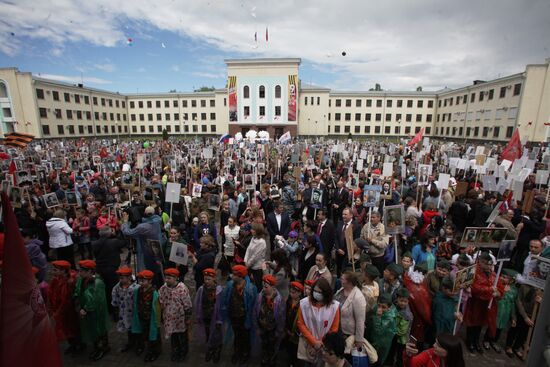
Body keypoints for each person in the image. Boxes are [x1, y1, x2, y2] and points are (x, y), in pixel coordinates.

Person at [464, 252, 503, 354]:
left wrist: (498, 293)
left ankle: (476, 341)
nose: (489, 266)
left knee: (481, 323)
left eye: (490, 264)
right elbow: (473, 287)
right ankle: (470, 341)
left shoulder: (493, 274)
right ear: (480, 262)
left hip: (487, 304)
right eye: (486, 264)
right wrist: (489, 289)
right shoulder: (472, 271)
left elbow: (500, 287)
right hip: (475, 303)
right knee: (472, 322)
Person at [296, 278, 340, 365]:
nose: (317, 294)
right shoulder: (304, 304)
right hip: (308, 345)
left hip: (325, 347)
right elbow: (301, 323)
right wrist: (313, 342)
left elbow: (334, 329)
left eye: (320, 292)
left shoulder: (334, 307)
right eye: (315, 291)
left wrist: (320, 344)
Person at [73, 260, 110, 361]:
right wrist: (77, 301)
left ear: (90, 271)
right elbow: (77, 290)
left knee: (99, 329)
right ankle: (97, 347)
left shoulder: (97, 283)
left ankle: (103, 348)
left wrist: (85, 308)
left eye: (82, 271)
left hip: (97, 312)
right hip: (87, 311)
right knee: (92, 329)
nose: (79, 273)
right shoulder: (81, 279)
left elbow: (96, 299)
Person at [221, 265, 258, 365]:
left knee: (245, 336)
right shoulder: (230, 285)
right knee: (237, 335)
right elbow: (225, 300)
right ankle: (237, 352)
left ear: (240, 276)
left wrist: (250, 319)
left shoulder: (251, 289)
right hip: (234, 316)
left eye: (234, 274)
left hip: (244, 317)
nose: (232, 276)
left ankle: (245, 354)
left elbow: (254, 306)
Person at [47, 260, 83, 356]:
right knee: (66, 328)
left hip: (69, 311)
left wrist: (58, 311)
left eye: (56, 270)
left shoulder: (69, 282)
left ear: (63, 271)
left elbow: (66, 300)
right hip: (61, 309)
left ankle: (79, 346)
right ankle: (72, 345)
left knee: (73, 328)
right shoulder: (57, 279)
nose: (53, 272)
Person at [121, 207, 164, 283]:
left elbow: (128, 232)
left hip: (148, 253)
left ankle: (152, 285)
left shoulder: (143, 227)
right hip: (158, 250)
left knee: (150, 272)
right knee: (158, 271)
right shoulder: (157, 221)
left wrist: (125, 222)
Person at [159, 267, 193, 362]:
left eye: (169, 278)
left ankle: (183, 352)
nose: (166, 280)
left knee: (182, 336)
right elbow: (161, 300)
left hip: (180, 319)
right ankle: (175, 351)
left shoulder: (182, 288)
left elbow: (187, 304)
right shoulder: (163, 288)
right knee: (173, 336)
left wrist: (188, 318)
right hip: (170, 319)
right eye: (166, 277)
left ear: (176, 278)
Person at [253, 274, 286, 367]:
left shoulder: (279, 300)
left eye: (266, 286)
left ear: (272, 287)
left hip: (273, 330)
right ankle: (264, 359)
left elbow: (281, 318)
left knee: (272, 347)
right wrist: (257, 327)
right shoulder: (260, 297)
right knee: (264, 346)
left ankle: (272, 361)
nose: (264, 288)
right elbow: (255, 312)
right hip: (262, 329)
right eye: (263, 286)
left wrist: (279, 331)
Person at [483, 268, 518, 354]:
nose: (502, 278)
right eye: (502, 276)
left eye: (505, 277)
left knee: (500, 328)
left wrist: (513, 317)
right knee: (492, 325)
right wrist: (503, 291)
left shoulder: (514, 291)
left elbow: (513, 304)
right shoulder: (498, 285)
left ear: (512, 280)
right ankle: (486, 340)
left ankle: (494, 341)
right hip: (497, 309)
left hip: (506, 312)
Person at [92, 226, 127, 312]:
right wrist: (117, 233)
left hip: (100, 268)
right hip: (111, 269)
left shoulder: (94, 243)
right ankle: (114, 309)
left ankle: (107, 307)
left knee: (103, 288)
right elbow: (124, 242)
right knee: (113, 289)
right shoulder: (114, 242)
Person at [194, 268, 224, 364]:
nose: (206, 281)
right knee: (208, 333)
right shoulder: (201, 289)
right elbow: (198, 302)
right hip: (206, 316)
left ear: (214, 279)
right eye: (205, 279)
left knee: (217, 334)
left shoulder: (218, 291)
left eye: (209, 279)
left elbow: (221, 306)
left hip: (215, 318)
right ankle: (210, 348)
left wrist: (220, 319)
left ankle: (217, 350)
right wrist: (198, 315)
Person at [132, 269, 162, 362]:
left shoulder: (154, 293)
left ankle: (155, 351)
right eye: (139, 280)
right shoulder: (137, 290)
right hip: (142, 318)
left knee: (154, 336)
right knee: (143, 334)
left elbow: (157, 309)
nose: (140, 283)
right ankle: (144, 348)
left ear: (150, 281)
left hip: (151, 319)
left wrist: (157, 322)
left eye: (143, 281)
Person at [334, 271, 366, 348]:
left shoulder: (358, 297)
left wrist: (359, 340)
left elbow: (360, 321)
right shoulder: (341, 290)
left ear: (349, 282)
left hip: (348, 333)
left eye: (342, 279)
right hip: (337, 329)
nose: (340, 280)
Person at [111, 266, 139, 353]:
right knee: (128, 328)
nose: (121, 280)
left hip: (134, 313)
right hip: (124, 313)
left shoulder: (136, 288)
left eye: (123, 278)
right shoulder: (117, 287)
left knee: (136, 329)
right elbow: (114, 297)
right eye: (120, 278)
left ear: (129, 277)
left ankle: (138, 344)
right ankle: (131, 343)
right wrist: (115, 307)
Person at [366, 293, 396, 365]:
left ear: (389, 308)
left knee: (377, 362)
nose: (380, 309)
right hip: (374, 341)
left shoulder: (390, 319)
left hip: (381, 345)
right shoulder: (377, 308)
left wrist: (378, 317)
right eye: (379, 305)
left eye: (383, 307)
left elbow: (378, 330)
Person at [360, 211, 389, 275]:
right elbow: (361, 237)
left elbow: (384, 244)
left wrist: (372, 241)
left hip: (378, 257)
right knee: (367, 274)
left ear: (379, 218)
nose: (371, 219)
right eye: (370, 217)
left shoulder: (383, 228)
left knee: (377, 275)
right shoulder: (366, 226)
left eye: (373, 217)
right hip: (367, 256)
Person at [335, 208, 362, 277]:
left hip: (348, 254)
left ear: (351, 215)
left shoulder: (356, 226)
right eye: (342, 214)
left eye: (345, 214)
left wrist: (344, 250)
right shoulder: (339, 223)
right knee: (338, 271)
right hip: (339, 253)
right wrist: (338, 249)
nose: (343, 216)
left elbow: (355, 241)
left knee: (345, 273)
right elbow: (336, 237)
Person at [284, 281, 304, 367]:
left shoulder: (302, 304)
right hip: (287, 331)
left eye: (294, 292)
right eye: (291, 292)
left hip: (295, 335)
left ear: (299, 293)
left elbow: (301, 321)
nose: (291, 294)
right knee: (288, 350)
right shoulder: (288, 301)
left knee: (295, 352)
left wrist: (294, 333)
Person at [244, 223, 267, 290]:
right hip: (248, 265)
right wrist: (245, 260)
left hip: (257, 268)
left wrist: (247, 265)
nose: (251, 230)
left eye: (253, 229)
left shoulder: (262, 242)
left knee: (257, 286)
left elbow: (255, 256)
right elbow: (248, 250)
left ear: (257, 231)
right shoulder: (253, 238)